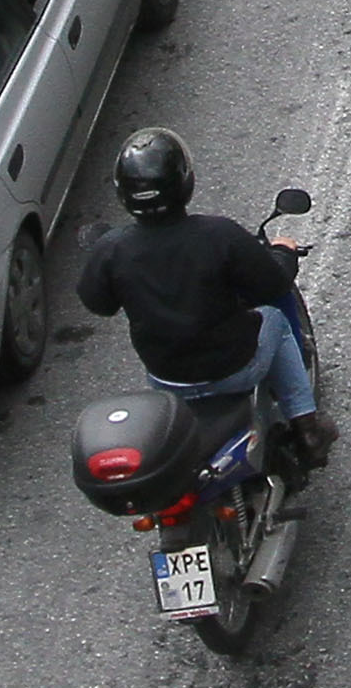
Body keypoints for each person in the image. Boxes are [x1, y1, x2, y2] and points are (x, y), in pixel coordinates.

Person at [74, 128, 335, 465]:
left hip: (167, 379)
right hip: (234, 368)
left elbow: (99, 303)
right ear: (184, 183)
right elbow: (272, 286)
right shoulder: (219, 235)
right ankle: (308, 429)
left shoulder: (112, 249)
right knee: (277, 319)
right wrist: (283, 253)